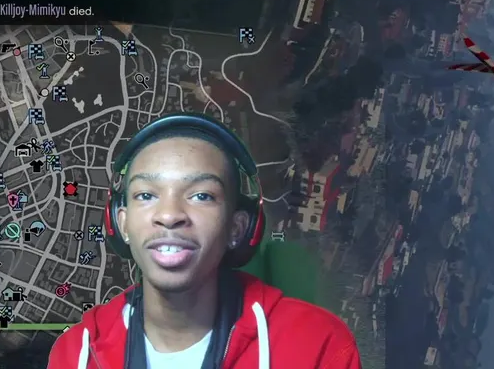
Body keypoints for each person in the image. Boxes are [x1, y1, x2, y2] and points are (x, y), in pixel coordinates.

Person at [47, 113, 360, 369]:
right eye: (146, 195)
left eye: (201, 196)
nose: (169, 215)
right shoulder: (74, 355)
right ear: (121, 223)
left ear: (238, 228)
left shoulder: (318, 345)